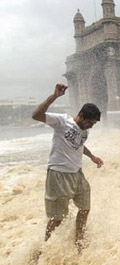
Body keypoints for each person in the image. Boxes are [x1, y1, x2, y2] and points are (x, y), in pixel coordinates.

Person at [32, 83, 104, 251]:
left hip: (77, 174)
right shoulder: (62, 121)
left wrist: (92, 156)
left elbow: (79, 145)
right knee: (58, 218)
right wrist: (54, 96)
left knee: (85, 208)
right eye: (90, 123)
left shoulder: (84, 131)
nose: (91, 126)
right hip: (58, 174)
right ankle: (46, 247)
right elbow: (36, 115)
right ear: (81, 115)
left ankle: (79, 242)